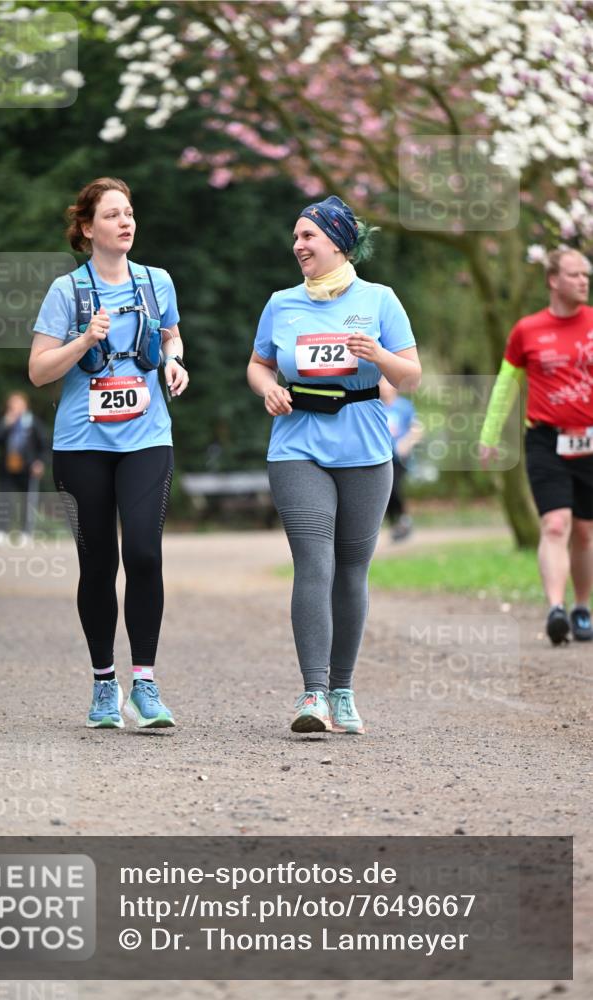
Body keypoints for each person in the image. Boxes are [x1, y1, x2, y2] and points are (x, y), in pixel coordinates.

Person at [247, 195, 421, 734]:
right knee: (314, 562)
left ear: (339, 242)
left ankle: (343, 692)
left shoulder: (381, 300)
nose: (297, 245)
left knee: (351, 569)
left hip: (367, 449)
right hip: (297, 445)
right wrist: (269, 389)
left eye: (308, 236)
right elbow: (257, 365)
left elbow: (410, 376)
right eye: (296, 237)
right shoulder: (281, 303)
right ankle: (313, 695)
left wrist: (379, 356)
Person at [29, 177, 188, 728]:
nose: (126, 222)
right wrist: (83, 340)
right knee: (99, 563)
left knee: (144, 552)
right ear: (87, 228)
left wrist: (173, 360)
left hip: (147, 436)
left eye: (130, 212)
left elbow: (170, 335)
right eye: (113, 215)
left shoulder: (156, 282)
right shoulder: (65, 292)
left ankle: (144, 684)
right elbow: (39, 369)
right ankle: (104, 685)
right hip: (82, 446)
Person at [479, 248, 593, 645]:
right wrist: (490, 435)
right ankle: (555, 609)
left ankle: (581, 608)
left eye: (586, 275)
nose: (583, 280)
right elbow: (506, 384)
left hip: (591, 439)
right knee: (556, 523)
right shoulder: (527, 330)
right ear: (553, 280)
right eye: (575, 274)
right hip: (546, 439)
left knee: (583, 532)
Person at [0, 391, 48, 545]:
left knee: (27, 501)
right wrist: (6, 424)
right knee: (4, 500)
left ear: (25, 405)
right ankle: (1, 532)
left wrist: (40, 462)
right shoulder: (5, 422)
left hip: (28, 468)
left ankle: (26, 532)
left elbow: (43, 445)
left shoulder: (33, 422)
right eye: (12, 404)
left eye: (19, 403)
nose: (16, 407)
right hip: (7, 467)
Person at [379, 376, 423, 541]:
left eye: (386, 383)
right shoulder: (376, 406)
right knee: (385, 491)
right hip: (384, 457)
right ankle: (396, 525)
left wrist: (405, 444)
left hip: (401, 459)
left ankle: (404, 520)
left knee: (394, 487)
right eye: (381, 383)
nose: (384, 387)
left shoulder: (404, 406)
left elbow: (417, 430)